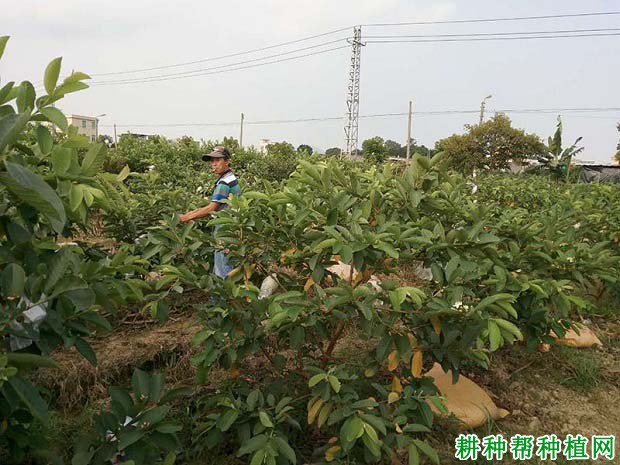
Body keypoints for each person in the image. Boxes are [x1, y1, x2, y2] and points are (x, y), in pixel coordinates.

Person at [180, 145, 241, 277]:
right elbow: (213, 205)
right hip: (230, 228)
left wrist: (185, 218)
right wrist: (188, 214)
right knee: (225, 267)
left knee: (223, 270)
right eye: (212, 161)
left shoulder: (224, 183)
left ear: (227, 161)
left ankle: (222, 296)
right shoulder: (230, 178)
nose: (214, 164)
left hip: (225, 231)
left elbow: (211, 209)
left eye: (217, 160)